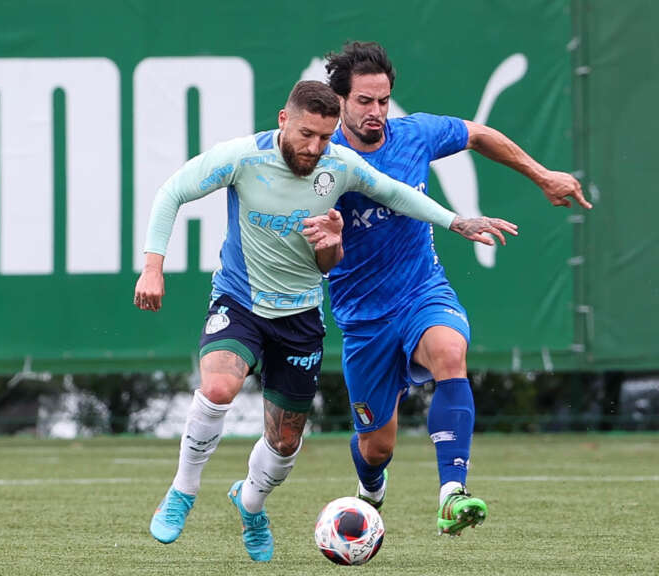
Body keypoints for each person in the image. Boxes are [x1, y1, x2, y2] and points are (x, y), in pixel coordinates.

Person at [133, 80, 516, 561]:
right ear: (283, 120)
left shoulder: (339, 164)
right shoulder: (241, 158)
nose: (315, 148)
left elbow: (399, 196)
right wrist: (153, 266)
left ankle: (250, 504)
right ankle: (182, 492)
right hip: (240, 302)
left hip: (300, 315)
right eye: (307, 134)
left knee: (286, 439)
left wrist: (456, 222)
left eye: (325, 136)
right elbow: (171, 192)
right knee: (218, 389)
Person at [312, 41, 592, 536]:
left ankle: (451, 494)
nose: (377, 112)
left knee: (449, 349)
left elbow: (478, 134)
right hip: (362, 318)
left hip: (421, 290)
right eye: (364, 102)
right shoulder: (323, 160)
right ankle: (371, 488)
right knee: (377, 447)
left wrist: (542, 174)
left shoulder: (415, 134)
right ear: (339, 103)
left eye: (383, 100)